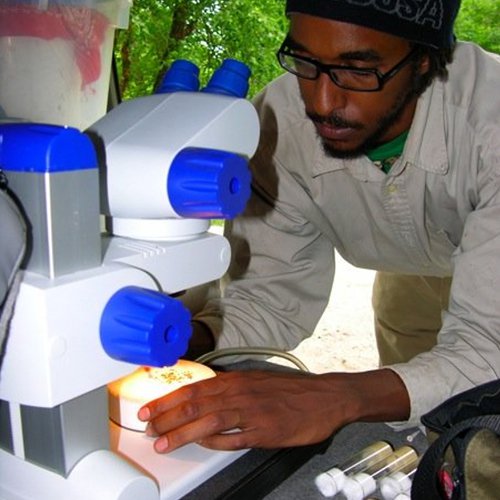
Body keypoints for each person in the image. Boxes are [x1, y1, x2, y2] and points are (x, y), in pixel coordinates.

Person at [138, 0, 500, 454]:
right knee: (425, 430)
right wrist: (181, 343)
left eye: (359, 71)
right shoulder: (277, 125)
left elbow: (489, 350)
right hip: (407, 272)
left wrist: (336, 398)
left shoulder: (491, 119)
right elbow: (271, 300)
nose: (322, 103)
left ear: (424, 58)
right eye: (306, 62)